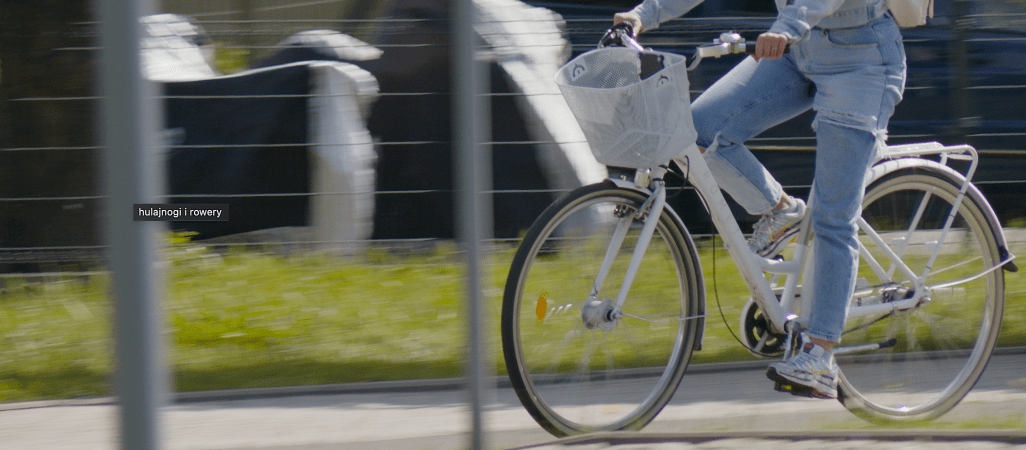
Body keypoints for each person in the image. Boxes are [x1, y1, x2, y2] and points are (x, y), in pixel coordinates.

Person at [614, 0, 906, 399]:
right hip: (798, 52)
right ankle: (779, 211)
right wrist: (644, 14)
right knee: (699, 132)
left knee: (832, 219)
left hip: (861, 61)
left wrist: (787, 26)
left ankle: (820, 355)